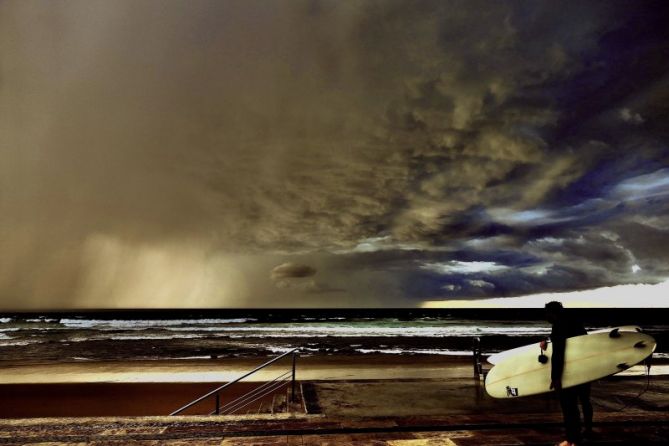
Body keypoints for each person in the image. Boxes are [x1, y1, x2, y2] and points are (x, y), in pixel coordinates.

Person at [543, 301, 593, 446]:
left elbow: (559, 353)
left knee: (569, 406)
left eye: (547, 313)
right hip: (583, 369)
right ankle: (584, 432)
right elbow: (582, 345)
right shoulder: (575, 322)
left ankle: (571, 440)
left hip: (568, 372)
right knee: (583, 401)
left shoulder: (558, 325)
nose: (546, 316)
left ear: (553, 313)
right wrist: (547, 341)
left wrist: (556, 377)